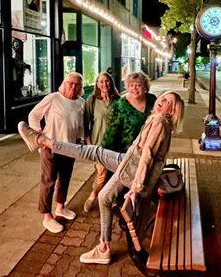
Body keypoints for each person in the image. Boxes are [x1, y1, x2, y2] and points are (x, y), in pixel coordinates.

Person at [18, 91, 184, 265]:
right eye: (163, 97)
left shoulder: (159, 122)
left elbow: (147, 155)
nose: (162, 100)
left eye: (168, 101)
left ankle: (103, 249)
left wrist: (136, 187)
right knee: (93, 151)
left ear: (172, 111)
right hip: (128, 161)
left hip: (132, 170)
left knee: (104, 197)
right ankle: (42, 140)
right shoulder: (159, 120)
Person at [28, 72, 85, 233]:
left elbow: (80, 125)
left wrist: (79, 139)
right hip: (50, 146)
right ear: (64, 83)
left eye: (77, 85)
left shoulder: (81, 102)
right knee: (49, 181)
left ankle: (61, 207)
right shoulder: (54, 98)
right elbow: (34, 115)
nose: (73, 87)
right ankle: (47, 216)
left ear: (80, 88)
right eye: (70, 83)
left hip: (70, 147)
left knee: (65, 178)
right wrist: (39, 136)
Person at [83, 72, 120, 212]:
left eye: (107, 81)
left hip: (115, 145)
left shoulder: (118, 100)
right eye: (101, 82)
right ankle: (93, 195)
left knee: (114, 173)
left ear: (111, 83)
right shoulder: (92, 100)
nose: (104, 84)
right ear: (97, 84)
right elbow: (85, 123)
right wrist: (88, 144)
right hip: (98, 143)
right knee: (101, 174)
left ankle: (112, 198)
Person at [101, 71, 156, 152]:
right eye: (131, 85)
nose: (134, 88)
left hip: (149, 148)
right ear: (127, 87)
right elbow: (110, 134)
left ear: (145, 87)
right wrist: (103, 155)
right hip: (126, 152)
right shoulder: (120, 105)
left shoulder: (152, 100)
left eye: (138, 85)